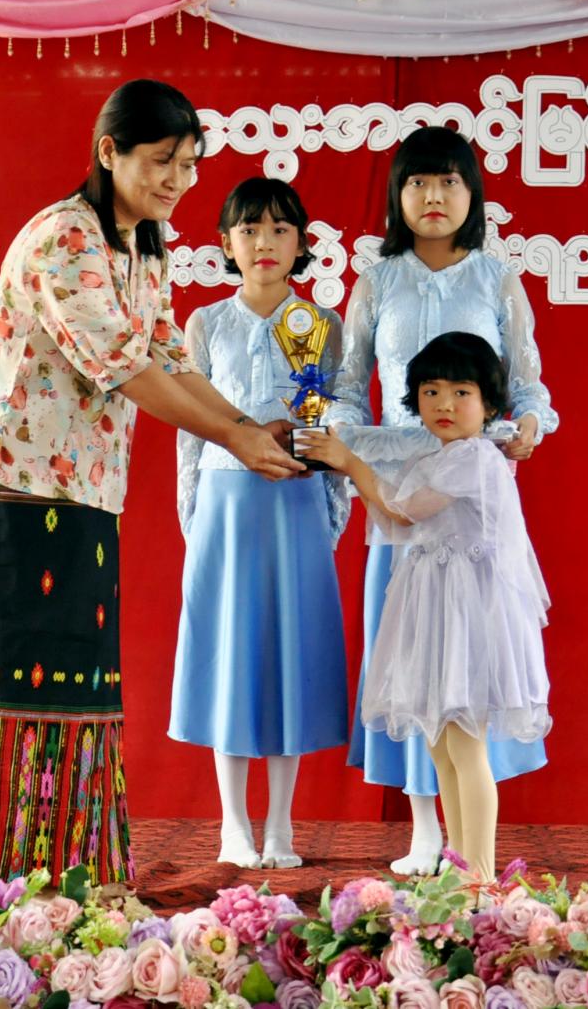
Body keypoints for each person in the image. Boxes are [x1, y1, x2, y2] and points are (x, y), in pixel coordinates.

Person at [0, 80, 301, 886]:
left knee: (85, 682)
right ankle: (7, 882)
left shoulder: (149, 245)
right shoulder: (64, 238)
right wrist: (235, 439)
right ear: (109, 152)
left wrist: (249, 425)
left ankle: (81, 872)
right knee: (21, 684)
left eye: (190, 163)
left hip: (90, 485)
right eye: (162, 161)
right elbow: (126, 368)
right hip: (17, 482)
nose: (179, 179)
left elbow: (170, 356)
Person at [322, 124, 558, 875]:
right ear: (397, 194)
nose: (433, 195)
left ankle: (469, 856)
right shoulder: (376, 281)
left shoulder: (496, 278)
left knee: (464, 666)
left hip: (466, 495)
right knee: (412, 663)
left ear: (471, 192)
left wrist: (527, 426)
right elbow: (345, 390)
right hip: (396, 483)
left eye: (449, 181)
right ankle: (424, 831)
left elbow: (527, 387)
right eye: (417, 181)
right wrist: (350, 445)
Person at [301, 331, 551, 881]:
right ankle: (462, 871)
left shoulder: (475, 458)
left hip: (466, 619)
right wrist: (352, 467)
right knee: (444, 751)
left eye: (462, 392)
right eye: (431, 391)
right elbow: (398, 517)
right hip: (440, 612)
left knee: (465, 749)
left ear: (489, 405)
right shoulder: (445, 457)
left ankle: (480, 879)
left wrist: (349, 461)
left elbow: (402, 510)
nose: (444, 404)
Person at [167, 177, 350, 869]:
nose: (264, 243)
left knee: (287, 660)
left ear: (301, 243)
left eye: (279, 230)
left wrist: (329, 512)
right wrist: (194, 516)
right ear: (226, 243)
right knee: (232, 659)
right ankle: (232, 825)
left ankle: (280, 826)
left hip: (297, 505)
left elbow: (334, 425)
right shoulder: (205, 324)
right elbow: (189, 427)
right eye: (249, 230)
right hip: (225, 505)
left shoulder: (324, 326)